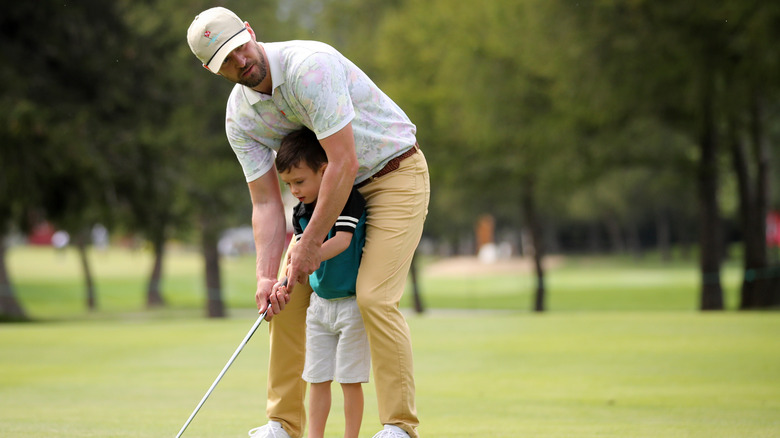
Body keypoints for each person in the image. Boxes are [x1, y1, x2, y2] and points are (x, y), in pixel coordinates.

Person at [187, 7, 430, 438]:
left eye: (239, 47)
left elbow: (344, 161)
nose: (239, 60)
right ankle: (282, 424)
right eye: (225, 59)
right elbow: (264, 203)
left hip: (393, 174)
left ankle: (399, 427)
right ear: (211, 69)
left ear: (250, 31)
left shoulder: (309, 68)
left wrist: (308, 245)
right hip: (323, 187)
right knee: (281, 297)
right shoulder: (240, 119)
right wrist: (266, 276)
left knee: (374, 296)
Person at [275, 127, 370, 438]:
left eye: (299, 182)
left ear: (324, 170)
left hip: (351, 305)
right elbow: (300, 255)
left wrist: (308, 256)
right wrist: (288, 276)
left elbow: (341, 241)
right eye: (288, 184)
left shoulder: (347, 199)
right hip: (319, 306)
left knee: (349, 380)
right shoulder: (300, 211)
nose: (295, 191)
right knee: (316, 378)